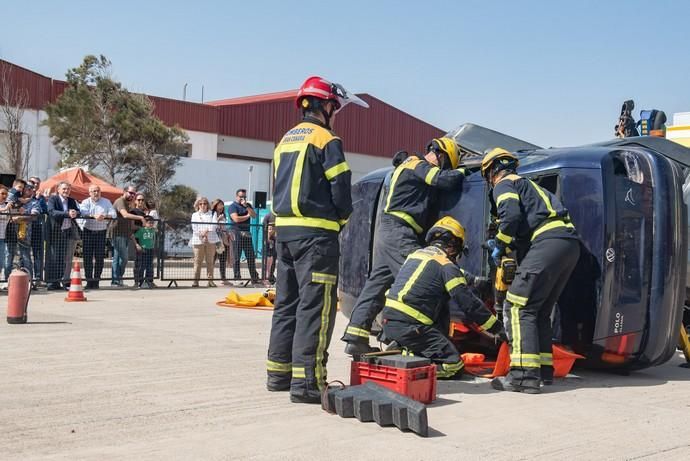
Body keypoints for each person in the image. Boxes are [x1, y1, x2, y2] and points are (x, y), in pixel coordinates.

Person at [267, 75, 368, 404]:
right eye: (334, 108)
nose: (335, 114)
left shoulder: (285, 140)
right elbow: (341, 189)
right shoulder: (326, 139)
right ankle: (308, 383)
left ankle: (278, 374)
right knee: (316, 308)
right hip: (316, 237)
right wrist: (341, 219)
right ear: (325, 106)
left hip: (285, 235)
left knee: (286, 306)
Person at [342, 137, 466, 355]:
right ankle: (414, 341)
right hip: (400, 232)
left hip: (388, 231)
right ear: (442, 155)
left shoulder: (407, 166)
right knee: (423, 283)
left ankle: (355, 336)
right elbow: (444, 181)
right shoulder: (418, 164)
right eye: (448, 165)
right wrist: (463, 172)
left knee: (377, 285)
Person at [480, 148, 580, 394]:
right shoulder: (532, 187)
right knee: (538, 310)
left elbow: (511, 216)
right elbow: (527, 225)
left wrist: (499, 243)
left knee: (517, 306)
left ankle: (523, 377)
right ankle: (544, 371)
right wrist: (511, 243)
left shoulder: (503, 184)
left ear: (492, 171)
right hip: (567, 244)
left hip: (548, 242)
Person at [381, 216, 505, 378]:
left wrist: (476, 282)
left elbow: (446, 273)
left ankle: (404, 350)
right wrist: (498, 328)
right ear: (454, 248)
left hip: (390, 322)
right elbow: (469, 305)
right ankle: (409, 359)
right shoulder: (446, 266)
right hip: (412, 327)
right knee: (454, 365)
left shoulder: (417, 256)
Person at [79, 185, 117, 289]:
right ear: (89, 192)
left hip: (101, 232)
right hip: (88, 232)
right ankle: (89, 281)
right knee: (87, 258)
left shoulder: (106, 201)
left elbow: (113, 214)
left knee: (100, 257)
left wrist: (104, 216)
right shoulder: (86, 202)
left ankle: (96, 281)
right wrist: (94, 216)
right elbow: (82, 212)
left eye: (98, 191)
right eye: (94, 191)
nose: (96, 193)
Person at [46, 181, 81, 290]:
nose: (66, 191)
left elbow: (78, 212)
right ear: (58, 190)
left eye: (68, 189)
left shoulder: (71, 200)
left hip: (66, 232)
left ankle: (59, 280)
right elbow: (51, 212)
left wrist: (75, 213)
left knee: (63, 259)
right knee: (53, 258)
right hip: (55, 232)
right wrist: (67, 213)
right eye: (64, 189)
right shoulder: (53, 199)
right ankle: (51, 282)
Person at [111, 186, 146, 287]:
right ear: (124, 192)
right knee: (124, 257)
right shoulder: (120, 201)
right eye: (131, 193)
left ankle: (117, 280)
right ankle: (116, 280)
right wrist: (141, 217)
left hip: (125, 234)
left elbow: (130, 223)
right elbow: (125, 215)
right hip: (117, 233)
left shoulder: (128, 204)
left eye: (134, 194)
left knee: (118, 258)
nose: (132, 195)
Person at [6, 184, 41, 280]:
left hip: (24, 234)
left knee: (25, 257)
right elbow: (7, 197)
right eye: (27, 189)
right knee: (8, 256)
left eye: (31, 190)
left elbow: (34, 216)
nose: (29, 191)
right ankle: (6, 280)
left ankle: (29, 280)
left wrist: (20, 217)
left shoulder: (34, 203)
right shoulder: (15, 199)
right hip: (10, 231)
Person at [228, 189, 259, 282]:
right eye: (241, 197)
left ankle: (254, 277)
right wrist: (247, 216)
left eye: (244, 197)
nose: (243, 198)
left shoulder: (247, 205)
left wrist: (247, 207)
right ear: (236, 196)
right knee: (236, 256)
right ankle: (237, 277)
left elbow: (254, 215)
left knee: (250, 256)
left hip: (246, 234)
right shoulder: (232, 206)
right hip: (236, 233)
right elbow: (236, 219)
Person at [190, 196, 219, 287]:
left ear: (207, 205)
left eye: (205, 203)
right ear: (197, 205)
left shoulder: (213, 213)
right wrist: (201, 234)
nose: (203, 205)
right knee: (197, 261)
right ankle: (195, 281)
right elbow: (194, 228)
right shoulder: (194, 215)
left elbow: (214, 226)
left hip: (211, 240)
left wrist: (206, 232)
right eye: (200, 204)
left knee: (210, 261)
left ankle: (210, 280)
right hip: (198, 240)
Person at [28, 177, 48, 284]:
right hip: (25, 227)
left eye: (37, 183)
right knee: (25, 254)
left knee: (38, 254)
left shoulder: (41, 198)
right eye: (32, 183)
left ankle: (38, 278)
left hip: (37, 228)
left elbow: (45, 211)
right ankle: (26, 276)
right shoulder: (24, 195)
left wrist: (40, 199)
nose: (35, 185)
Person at [132, 215, 157, 289]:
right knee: (141, 266)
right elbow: (133, 236)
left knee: (150, 266)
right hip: (143, 250)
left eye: (152, 223)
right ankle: (139, 282)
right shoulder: (141, 230)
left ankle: (149, 281)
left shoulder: (153, 230)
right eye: (149, 223)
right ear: (145, 223)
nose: (151, 224)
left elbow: (156, 232)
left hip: (151, 250)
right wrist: (137, 245)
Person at [211, 198, 232, 284]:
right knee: (213, 258)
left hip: (223, 239)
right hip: (216, 239)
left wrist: (228, 233)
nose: (221, 207)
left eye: (222, 205)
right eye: (219, 205)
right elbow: (212, 226)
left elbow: (225, 227)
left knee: (223, 259)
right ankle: (210, 278)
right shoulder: (213, 214)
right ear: (215, 206)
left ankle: (223, 278)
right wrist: (218, 220)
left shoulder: (224, 215)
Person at [262, 211, 276, 284]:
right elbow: (264, 227)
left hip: (275, 240)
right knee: (267, 261)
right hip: (268, 240)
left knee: (273, 260)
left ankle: (270, 276)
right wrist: (267, 237)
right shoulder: (268, 216)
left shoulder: (279, 215)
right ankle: (265, 277)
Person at [0, 186, 10, 284]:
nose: (4, 196)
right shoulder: (6, 207)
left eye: (5, 194)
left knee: (1, 262)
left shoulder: (7, 206)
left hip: (2, 237)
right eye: (2, 193)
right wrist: (5, 209)